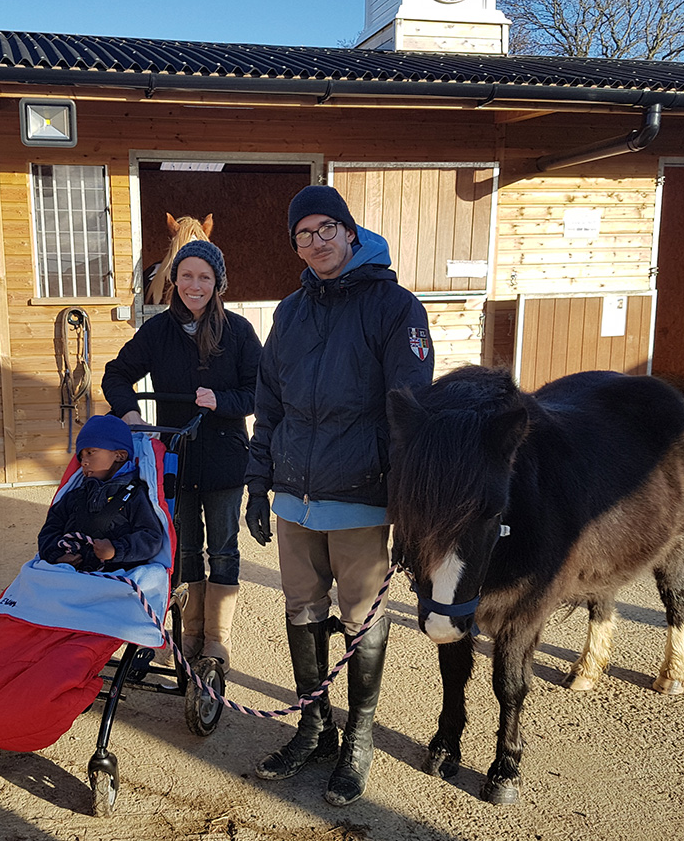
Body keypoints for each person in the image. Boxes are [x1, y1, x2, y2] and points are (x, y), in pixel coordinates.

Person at [245, 185, 434, 807]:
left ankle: (359, 737)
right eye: (303, 234)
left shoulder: (394, 308)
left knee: (359, 618)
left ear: (350, 232)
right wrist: (257, 481)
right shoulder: (290, 312)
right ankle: (313, 726)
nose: (315, 241)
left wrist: (404, 500)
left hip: (358, 496)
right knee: (301, 608)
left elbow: (409, 408)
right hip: (294, 497)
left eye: (326, 228)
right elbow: (268, 404)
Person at [102, 239, 262, 673]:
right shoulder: (157, 332)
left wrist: (222, 401)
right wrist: (130, 413)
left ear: (218, 283)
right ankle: (188, 636)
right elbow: (116, 375)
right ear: (174, 280)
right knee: (184, 548)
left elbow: (260, 391)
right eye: (187, 275)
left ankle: (217, 640)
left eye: (204, 277)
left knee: (223, 551)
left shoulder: (238, 332)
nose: (195, 285)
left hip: (226, 459)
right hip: (174, 458)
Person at [37, 413, 163, 574]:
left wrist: (116, 550)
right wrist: (56, 555)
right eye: (81, 456)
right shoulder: (74, 496)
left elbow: (151, 538)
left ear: (120, 455)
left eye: (90, 452)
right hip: (71, 573)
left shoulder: (136, 496)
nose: (84, 462)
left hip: (117, 574)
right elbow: (50, 530)